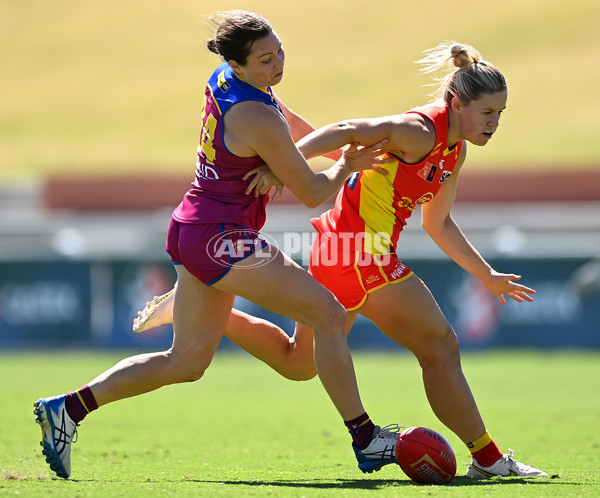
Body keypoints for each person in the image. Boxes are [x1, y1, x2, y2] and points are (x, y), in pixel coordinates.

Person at [132, 41, 549, 479]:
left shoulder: (453, 149)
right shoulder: (420, 131)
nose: (495, 123)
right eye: (488, 113)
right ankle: (488, 461)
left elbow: (439, 223)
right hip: (356, 253)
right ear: (458, 105)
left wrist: (486, 275)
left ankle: (188, 310)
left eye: (501, 113)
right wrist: (283, 167)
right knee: (439, 345)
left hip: (346, 251)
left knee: (298, 363)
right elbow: (349, 129)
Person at [33, 10, 399, 480]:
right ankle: (366, 439)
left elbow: (285, 119)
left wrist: (336, 153)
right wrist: (347, 166)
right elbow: (310, 192)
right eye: (266, 59)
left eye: (280, 51)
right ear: (240, 63)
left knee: (185, 362)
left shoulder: (228, 79)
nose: (278, 63)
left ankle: (68, 408)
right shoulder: (254, 114)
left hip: (192, 227)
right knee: (327, 313)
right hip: (223, 240)